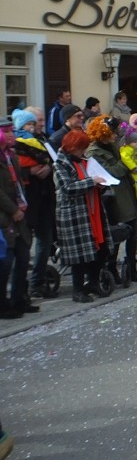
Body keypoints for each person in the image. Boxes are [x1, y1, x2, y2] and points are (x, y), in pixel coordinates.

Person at [53, 129, 112, 303]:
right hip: (74, 215)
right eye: (81, 148)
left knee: (100, 249)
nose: (83, 151)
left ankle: (92, 282)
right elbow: (68, 188)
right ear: (72, 147)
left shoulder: (84, 161)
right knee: (78, 256)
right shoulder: (59, 164)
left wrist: (102, 184)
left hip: (92, 211)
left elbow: (94, 179)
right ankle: (77, 290)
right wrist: (91, 182)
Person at [86, 116, 137, 287]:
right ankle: (112, 269)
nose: (116, 136)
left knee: (133, 232)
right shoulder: (93, 152)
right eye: (112, 134)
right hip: (113, 197)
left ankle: (132, 268)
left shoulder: (112, 146)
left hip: (126, 193)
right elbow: (110, 172)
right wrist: (125, 163)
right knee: (117, 233)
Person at [12, 109, 56, 299]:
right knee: (22, 246)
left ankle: (37, 282)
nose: (39, 124)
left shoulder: (43, 139)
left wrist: (48, 167)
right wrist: (30, 172)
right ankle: (19, 287)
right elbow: (12, 172)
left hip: (45, 197)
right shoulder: (16, 144)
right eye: (36, 121)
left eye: (40, 120)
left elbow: (55, 160)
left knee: (44, 241)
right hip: (27, 200)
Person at [0, 119, 36, 318]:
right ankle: (3, 304)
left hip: (19, 213)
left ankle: (19, 299)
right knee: (6, 261)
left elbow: (18, 184)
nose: (13, 134)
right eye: (8, 131)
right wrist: (13, 210)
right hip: (5, 216)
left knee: (23, 257)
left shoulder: (11, 155)